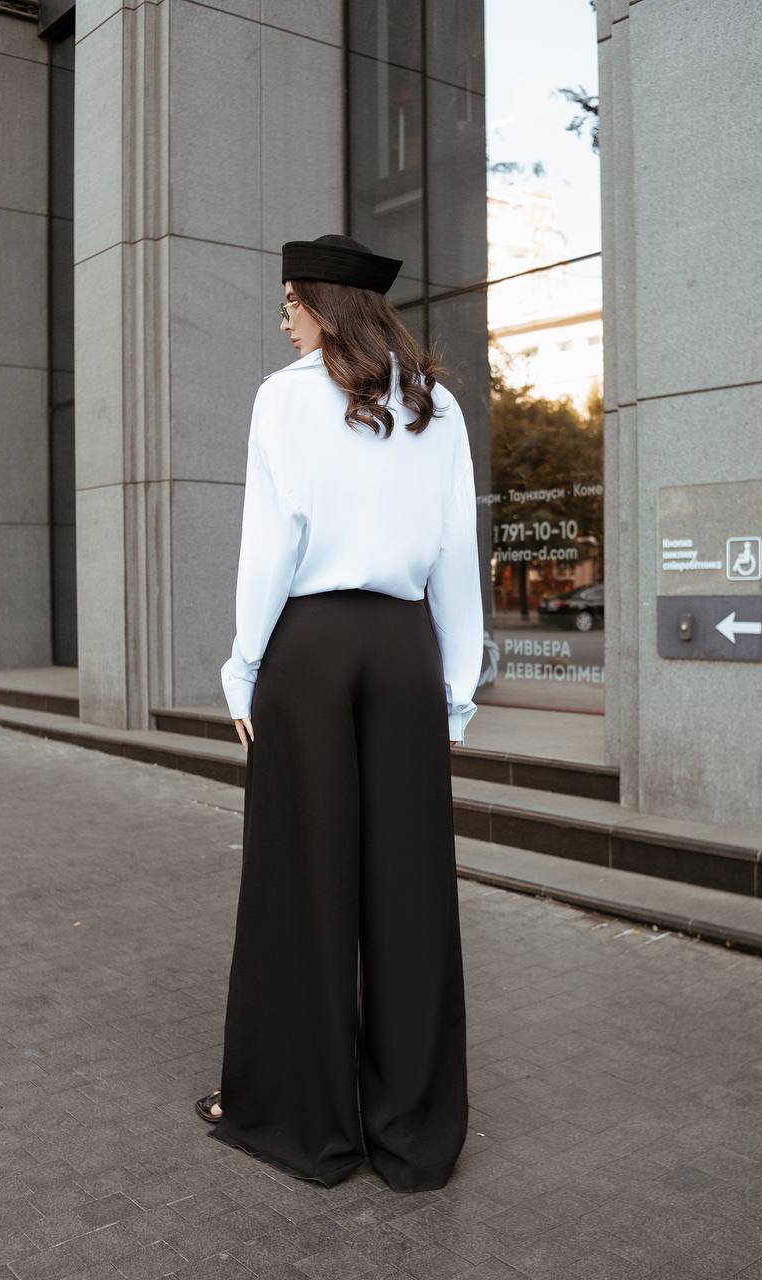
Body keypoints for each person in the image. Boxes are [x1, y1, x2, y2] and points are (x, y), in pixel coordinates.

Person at [195, 233, 484, 1194]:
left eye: (288, 301)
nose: (280, 318)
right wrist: (457, 685)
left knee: (299, 884)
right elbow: (454, 553)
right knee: (410, 893)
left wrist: (242, 668)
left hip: (311, 651)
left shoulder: (283, 398)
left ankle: (301, 1121)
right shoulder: (435, 404)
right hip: (405, 652)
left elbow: (269, 548)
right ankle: (413, 1137)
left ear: (323, 303)